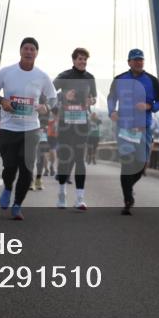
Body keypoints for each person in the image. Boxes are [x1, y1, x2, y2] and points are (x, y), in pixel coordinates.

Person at [0, 37, 58, 220]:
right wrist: (2, 101)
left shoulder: (42, 76)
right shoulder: (6, 72)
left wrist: (47, 107)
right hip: (8, 128)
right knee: (9, 167)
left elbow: (52, 98)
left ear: (36, 53)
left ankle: (18, 204)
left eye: (32, 49)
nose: (29, 52)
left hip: (31, 129)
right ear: (20, 51)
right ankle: (8, 187)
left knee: (27, 169)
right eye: (26, 48)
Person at [107, 48, 159, 216]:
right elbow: (111, 98)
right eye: (135, 60)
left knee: (141, 165)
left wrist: (149, 106)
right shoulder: (119, 79)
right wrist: (112, 111)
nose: (139, 62)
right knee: (126, 164)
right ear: (129, 62)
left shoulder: (152, 81)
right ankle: (127, 200)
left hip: (143, 129)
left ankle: (129, 186)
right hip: (124, 128)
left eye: (141, 59)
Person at [54, 48, 97, 210]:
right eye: (80, 59)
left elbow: (93, 97)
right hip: (66, 122)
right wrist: (64, 96)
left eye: (85, 60)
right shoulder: (64, 76)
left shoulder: (90, 78)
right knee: (65, 158)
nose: (82, 62)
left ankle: (80, 199)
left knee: (80, 158)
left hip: (82, 122)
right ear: (73, 60)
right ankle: (62, 194)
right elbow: (49, 94)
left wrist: (91, 101)